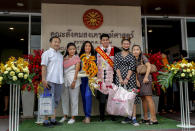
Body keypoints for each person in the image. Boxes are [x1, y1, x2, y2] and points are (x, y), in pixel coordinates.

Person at [114, 38, 139, 126]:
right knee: (124, 99)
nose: (126, 45)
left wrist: (127, 78)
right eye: (124, 43)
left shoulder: (132, 55)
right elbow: (116, 66)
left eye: (127, 44)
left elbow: (132, 67)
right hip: (120, 79)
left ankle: (134, 118)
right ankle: (128, 117)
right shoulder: (117, 55)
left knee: (132, 98)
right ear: (121, 44)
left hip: (130, 79)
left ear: (129, 45)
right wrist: (120, 78)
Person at [96, 33, 120, 121]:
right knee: (102, 100)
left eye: (107, 40)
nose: (105, 41)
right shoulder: (97, 51)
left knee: (112, 98)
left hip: (112, 78)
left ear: (109, 40)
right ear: (101, 41)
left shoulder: (115, 49)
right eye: (103, 40)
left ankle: (113, 116)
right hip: (101, 78)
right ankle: (102, 117)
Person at [132, 45, 158, 125]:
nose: (136, 51)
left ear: (140, 51)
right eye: (134, 50)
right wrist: (136, 80)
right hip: (139, 79)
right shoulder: (133, 59)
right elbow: (135, 71)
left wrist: (146, 77)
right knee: (143, 98)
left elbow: (149, 66)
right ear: (132, 51)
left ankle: (154, 119)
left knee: (148, 98)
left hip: (146, 78)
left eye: (137, 49)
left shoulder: (143, 57)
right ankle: (146, 118)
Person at [41, 36, 64, 127]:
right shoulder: (46, 53)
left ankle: (53, 119)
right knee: (48, 100)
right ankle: (46, 121)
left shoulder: (60, 55)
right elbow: (43, 67)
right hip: (49, 80)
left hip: (58, 81)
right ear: (50, 43)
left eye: (58, 42)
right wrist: (43, 79)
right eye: (55, 41)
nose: (57, 43)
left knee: (55, 101)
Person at [60, 43, 81, 124]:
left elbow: (76, 70)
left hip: (74, 80)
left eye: (73, 49)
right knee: (64, 99)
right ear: (67, 50)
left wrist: (74, 81)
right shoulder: (64, 58)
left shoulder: (77, 58)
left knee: (74, 99)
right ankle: (65, 115)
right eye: (70, 49)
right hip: (64, 81)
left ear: (75, 50)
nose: (72, 50)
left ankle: (73, 117)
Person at [79, 41, 96, 124]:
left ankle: (88, 117)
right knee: (83, 97)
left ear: (91, 48)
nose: (87, 47)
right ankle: (86, 115)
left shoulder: (94, 57)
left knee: (88, 96)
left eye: (89, 46)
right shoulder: (80, 57)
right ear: (83, 47)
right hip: (82, 79)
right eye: (86, 46)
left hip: (91, 79)